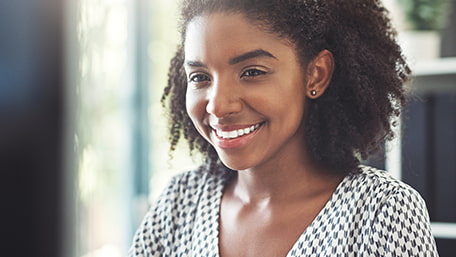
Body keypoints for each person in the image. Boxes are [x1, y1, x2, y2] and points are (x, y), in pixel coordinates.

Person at [129, 0, 439, 256]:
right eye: (200, 77)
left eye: (251, 72)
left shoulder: (383, 213)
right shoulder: (179, 203)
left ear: (315, 75)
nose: (218, 106)